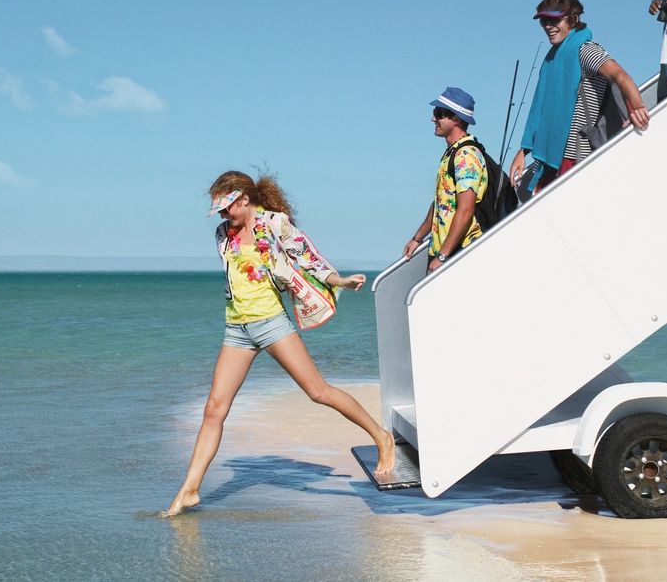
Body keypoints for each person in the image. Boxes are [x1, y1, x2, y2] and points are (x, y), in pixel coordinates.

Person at [162, 170, 395, 517]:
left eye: (227, 208)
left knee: (318, 392)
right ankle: (190, 489)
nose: (224, 215)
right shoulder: (221, 235)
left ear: (244, 199)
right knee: (214, 409)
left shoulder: (274, 224)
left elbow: (308, 258)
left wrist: (340, 281)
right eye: (219, 211)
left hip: (271, 323)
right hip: (236, 328)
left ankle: (381, 437)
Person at [509, 0, 651, 193]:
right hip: (551, 163)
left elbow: (620, 75)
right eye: (543, 22)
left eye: (553, 20)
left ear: (571, 19)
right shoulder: (551, 58)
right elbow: (538, 110)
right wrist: (523, 151)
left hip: (577, 156)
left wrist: (638, 108)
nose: (548, 27)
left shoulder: (585, 49)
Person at [402, 87, 487, 272]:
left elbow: (466, 209)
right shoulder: (452, 153)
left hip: (459, 253)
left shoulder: (466, 156)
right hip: (445, 251)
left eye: (439, 114)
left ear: (456, 119)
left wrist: (443, 256)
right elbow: (442, 202)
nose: (433, 119)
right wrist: (417, 238)